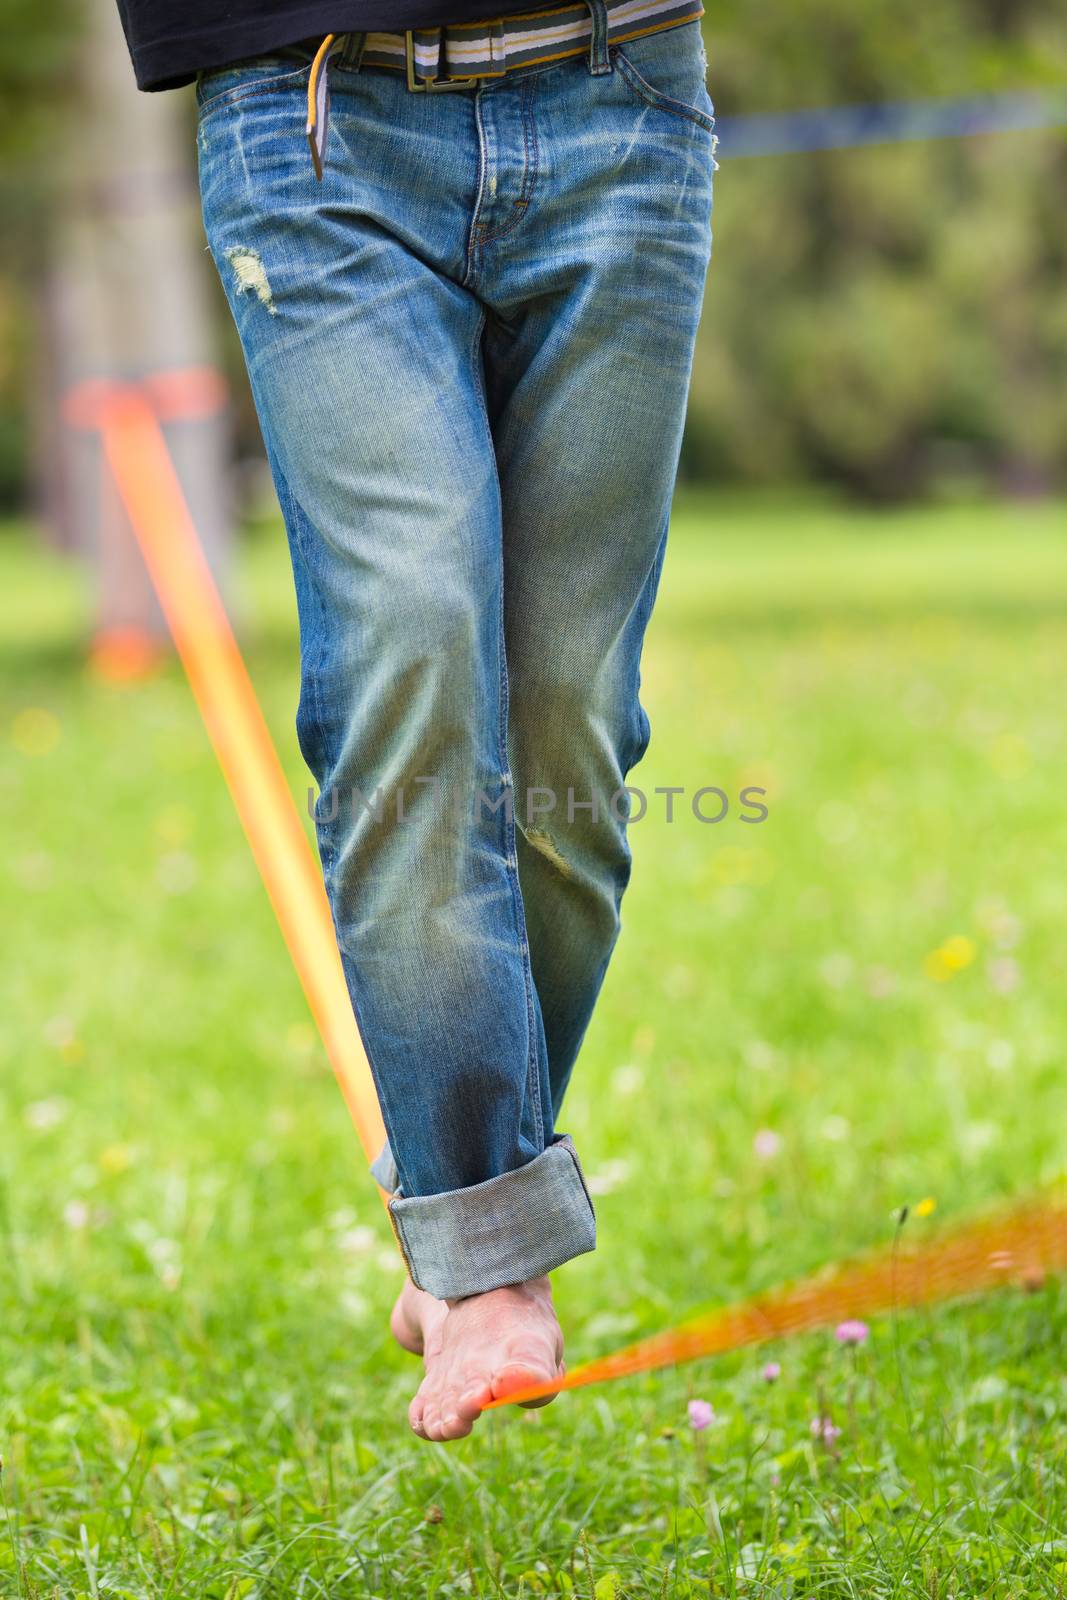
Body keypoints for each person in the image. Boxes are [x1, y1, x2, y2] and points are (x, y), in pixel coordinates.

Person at [114, 0, 716, 1442]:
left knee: (571, 733)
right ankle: (487, 1263)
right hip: (314, 124)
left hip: (618, 89)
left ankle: (462, 1200)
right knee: (412, 677)